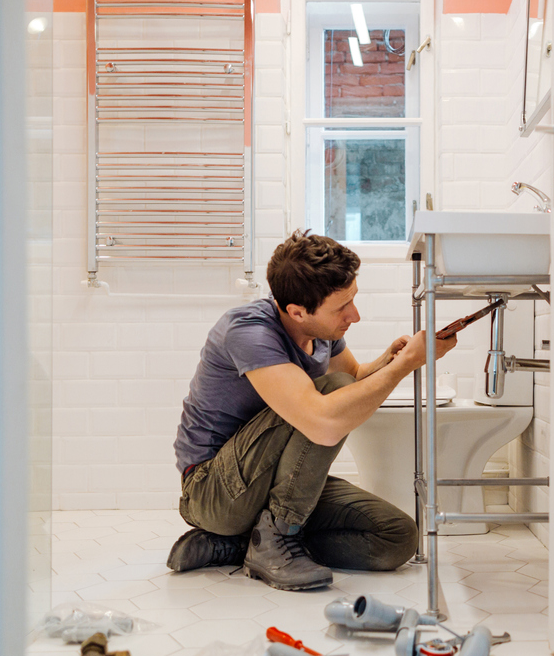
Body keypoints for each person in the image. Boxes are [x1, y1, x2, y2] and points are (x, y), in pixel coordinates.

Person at [169, 230, 457, 590]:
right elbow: (323, 422)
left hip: (267, 481)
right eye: (342, 307)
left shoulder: (322, 330)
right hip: (213, 490)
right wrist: (406, 366)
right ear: (297, 312)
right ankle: (276, 537)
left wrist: (392, 360)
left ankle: (245, 543)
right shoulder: (248, 331)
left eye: (352, 300)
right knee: (329, 397)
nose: (354, 315)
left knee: (396, 537)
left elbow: (353, 377)